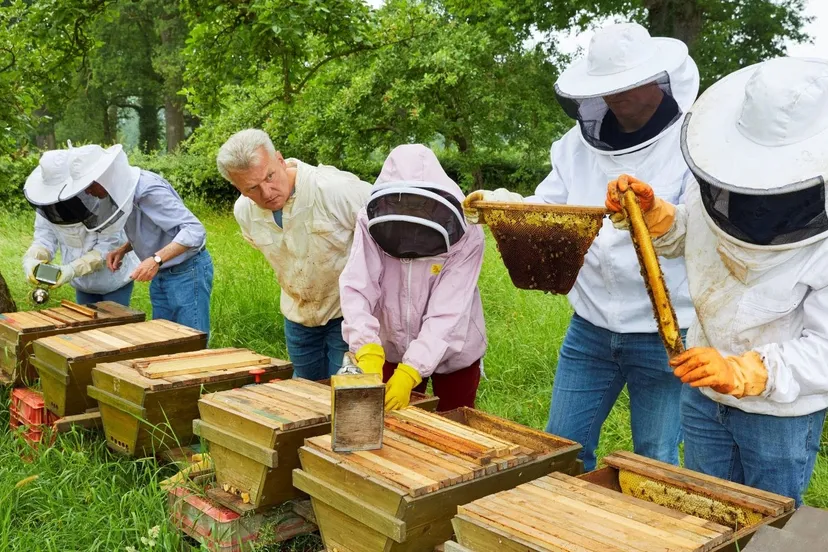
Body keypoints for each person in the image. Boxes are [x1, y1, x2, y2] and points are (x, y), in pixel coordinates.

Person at [464, 22, 699, 470]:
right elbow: (547, 206)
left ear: (656, 79)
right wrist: (500, 205)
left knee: (654, 458)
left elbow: (696, 234)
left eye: (625, 86)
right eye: (605, 88)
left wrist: (655, 212)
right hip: (590, 325)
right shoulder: (575, 146)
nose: (614, 97)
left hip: (667, 331)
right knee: (561, 447)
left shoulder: (690, 142)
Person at [606, 56, 828, 506]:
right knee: (705, 515)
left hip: (779, 413)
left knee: (771, 527)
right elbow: (702, 236)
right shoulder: (717, 174)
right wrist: (658, 217)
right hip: (704, 393)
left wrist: (744, 370)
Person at [340, 144, 487, 411]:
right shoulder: (369, 218)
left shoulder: (467, 232)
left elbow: (447, 313)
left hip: (454, 349)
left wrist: (411, 371)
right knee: (391, 430)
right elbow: (357, 287)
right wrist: (367, 348)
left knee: (454, 427)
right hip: (390, 345)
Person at [217, 129, 372, 380]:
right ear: (237, 187)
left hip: (349, 316)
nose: (267, 193)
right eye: (252, 188)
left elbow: (387, 232)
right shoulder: (244, 212)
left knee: (344, 394)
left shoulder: (335, 189)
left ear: (279, 159)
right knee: (306, 395)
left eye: (270, 177)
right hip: (297, 318)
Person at [51, 143, 213, 338]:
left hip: (186, 272)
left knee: (191, 340)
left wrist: (155, 259)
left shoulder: (148, 190)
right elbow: (152, 229)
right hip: (162, 273)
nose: (87, 193)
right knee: (166, 339)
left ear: (104, 176)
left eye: (89, 185)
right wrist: (124, 249)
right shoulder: (123, 191)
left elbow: (194, 230)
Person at [23, 149, 139, 306]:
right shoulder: (46, 202)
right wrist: (33, 258)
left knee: (113, 326)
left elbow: (109, 245)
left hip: (113, 278)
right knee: (86, 327)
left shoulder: (99, 197)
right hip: (81, 283)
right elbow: (44, 237)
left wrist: (72, 270)